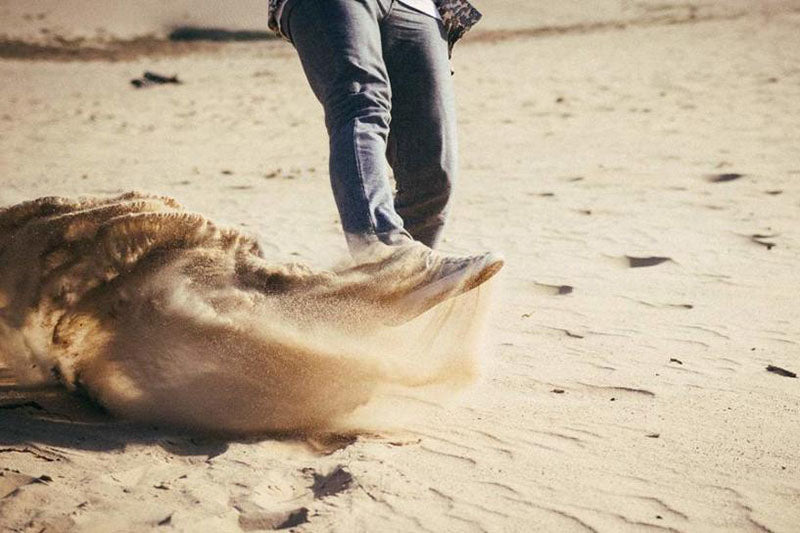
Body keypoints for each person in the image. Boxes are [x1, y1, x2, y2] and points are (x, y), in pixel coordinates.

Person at [267, 0, 503, 310]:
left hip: (419, 6)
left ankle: (383, 302)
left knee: (432, 167)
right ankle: (385, 257)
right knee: (362, 104)